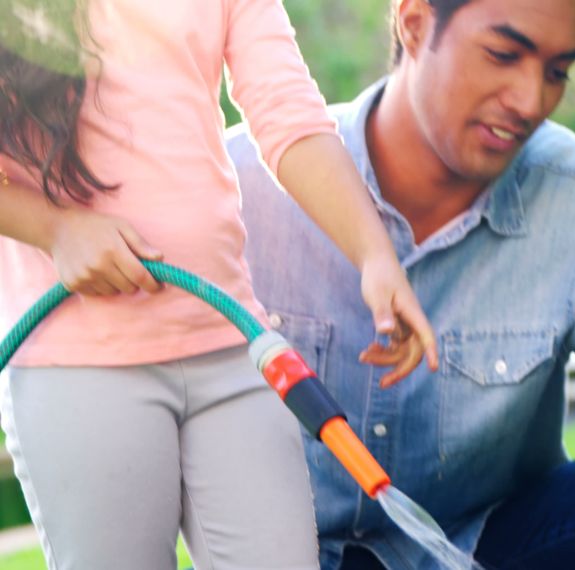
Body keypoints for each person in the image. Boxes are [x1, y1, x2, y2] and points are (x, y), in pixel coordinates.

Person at [230, 0, 575, 568]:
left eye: (557, 71)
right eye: (502, 54)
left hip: (482, 549)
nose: (530, 101)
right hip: (291, 555)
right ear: (415, 24)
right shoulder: (235, 190)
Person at [0, 1, 438, 568]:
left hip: (231, 344)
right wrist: (56, 230)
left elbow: (287, 114)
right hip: (79, 359)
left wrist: (374, 254)